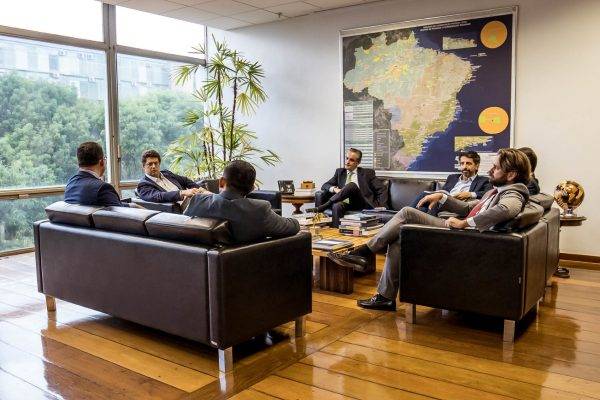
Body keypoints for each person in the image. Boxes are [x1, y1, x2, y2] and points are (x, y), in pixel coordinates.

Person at [340, 148, 532, 311]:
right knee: (398, 238)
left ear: (511, 175)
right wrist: (442, 197)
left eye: (496, 167)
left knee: (407, 213)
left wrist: (465, 223)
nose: (490, 170)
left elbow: (506, 209)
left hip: (465, 238)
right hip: (462, 234)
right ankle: (385, 297)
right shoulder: (497, 190)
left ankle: (365, 252)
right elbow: (468, 207)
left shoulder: (514, 193)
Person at [185, 160, 300, 243]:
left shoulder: (198, 202)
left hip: (198, 266)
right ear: (252, 188)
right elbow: (293, 227)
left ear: (221, 182)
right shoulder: (259, 209)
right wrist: (298, 221)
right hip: (247, 265)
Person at [309, 148, 388, 227]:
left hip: (361, 202)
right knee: (337, 205)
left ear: (358, 162)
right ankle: (336, 230)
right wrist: (335, 189)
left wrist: (381, 205)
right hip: (346, 202)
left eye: (351, 160)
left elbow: (382, 189)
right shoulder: (340, 172)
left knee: (352, 185)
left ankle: (323, 207)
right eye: (347, 158)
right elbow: (325, 185)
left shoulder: (367, 173)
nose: (347, 162)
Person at [410, 151, 491, 214]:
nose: (464, 167)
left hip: (459, 206)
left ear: (476, 166)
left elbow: (489, 194)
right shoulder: (452, 178)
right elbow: (444, 192)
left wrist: (470, 194)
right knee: (424, 205)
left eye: (468, 163)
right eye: (462, 163)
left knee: (425, 195)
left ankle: (407, 214)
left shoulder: (484, 180)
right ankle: (410, 216)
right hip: (443, 203)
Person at [64, 142, 132, 207]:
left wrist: (129, 205)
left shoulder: (71, 184)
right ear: (101, 162)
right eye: (105, 158)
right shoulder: (102, 188)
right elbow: (120, 212)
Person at [136, 149, 208, 208]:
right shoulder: (143, 185)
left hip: (194, 201)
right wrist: (182, 193)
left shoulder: (166, 173)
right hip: (183, 208)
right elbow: (159, 196)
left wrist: (202, 190)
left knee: (211, 198)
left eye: (156, 163)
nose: (154, 166)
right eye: (150, 164)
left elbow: (185, 180)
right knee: (212, 202)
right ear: (143, 166)